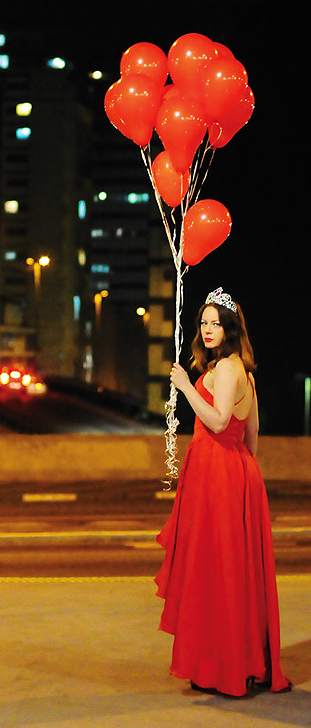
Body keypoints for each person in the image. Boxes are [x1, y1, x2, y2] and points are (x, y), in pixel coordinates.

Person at [155, 287, 291, 698]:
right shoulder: (242, 371)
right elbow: (252, 436)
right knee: (229, 571)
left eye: (217, 322)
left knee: (219, 572)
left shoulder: (230, 368)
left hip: (219, 473)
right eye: (204, 322)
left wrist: (185, 385)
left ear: (231, 328)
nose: (209, 329)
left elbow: (217, 422)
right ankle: (237, 660)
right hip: (232, 472)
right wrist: (242, 475)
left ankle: (225, 667)